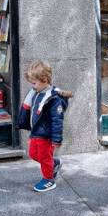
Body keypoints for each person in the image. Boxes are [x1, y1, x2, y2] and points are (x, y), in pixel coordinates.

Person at [17, 61, 72, 193]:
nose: (32, 85)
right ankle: (55, 163)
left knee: (43, 157)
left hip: (46, 135)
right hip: (37, 132)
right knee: (33, 154)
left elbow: (57, 120)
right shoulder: (37, 92)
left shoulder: (53, 99)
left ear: (44, 80)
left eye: (34, 82)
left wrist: (56, 139)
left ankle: (48, 179)